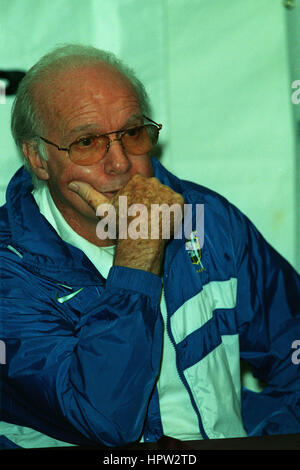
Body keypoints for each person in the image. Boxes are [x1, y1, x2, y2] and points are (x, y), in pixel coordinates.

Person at [0, 44, 300, 448]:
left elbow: (291, 343)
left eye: (133, 133)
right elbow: (106, 421)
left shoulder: (205, 218)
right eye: (87, 142)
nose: (120, 163)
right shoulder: (8, 267)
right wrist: (138, 258)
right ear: (37, 158)